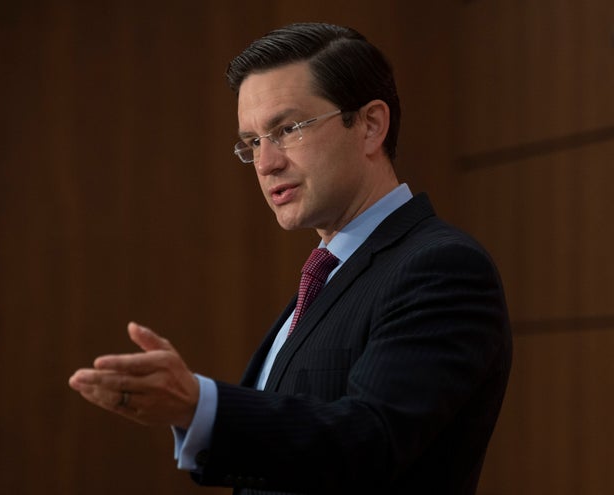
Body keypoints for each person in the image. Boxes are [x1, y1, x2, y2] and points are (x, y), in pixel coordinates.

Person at [69, 22, 512, 495]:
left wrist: (200, 407)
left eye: (287, 129)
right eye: (253, 142)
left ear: (370, 125)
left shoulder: (441, 268)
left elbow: (370, 441)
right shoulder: (328, 273)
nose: (265, 163)